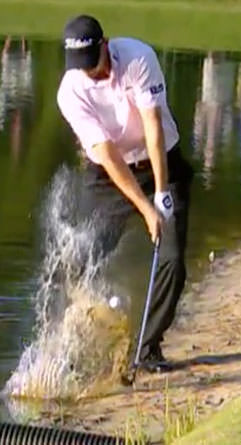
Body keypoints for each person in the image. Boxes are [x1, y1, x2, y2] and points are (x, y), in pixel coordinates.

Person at [56, 15, 194, 373]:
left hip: (161, 161)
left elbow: (153, 127)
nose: (91, 73)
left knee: (172, 260)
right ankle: (79, 339)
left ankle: (147, 349)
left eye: (94, 63)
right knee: (83, 255)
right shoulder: (70, 92)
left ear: (106, 45)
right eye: (82, 68)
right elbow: (106, 155)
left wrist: (161, 194)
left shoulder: (137, 58)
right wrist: (145, 210)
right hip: (109, 176)